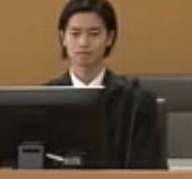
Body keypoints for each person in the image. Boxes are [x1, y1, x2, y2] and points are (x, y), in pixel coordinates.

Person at [45, 0, 162, 169]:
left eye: (94, 33)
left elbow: (149, 172)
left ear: (109, 38)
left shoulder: (136, 102)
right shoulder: (45, 101)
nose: (83, 42)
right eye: (75, 33)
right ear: (63, 38)